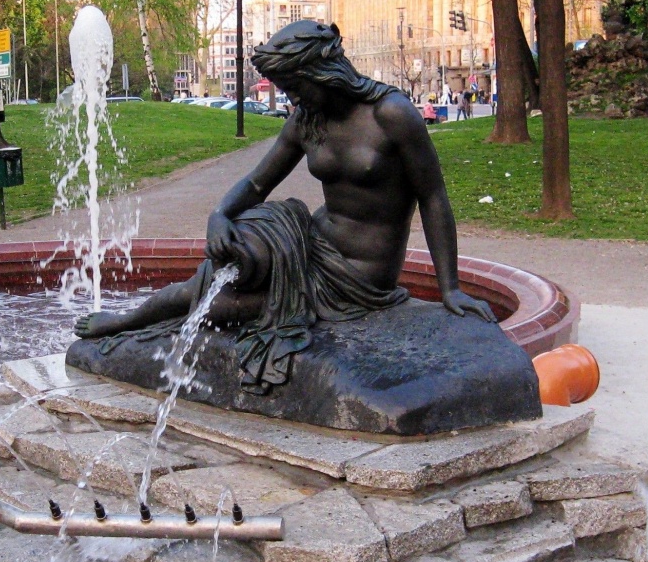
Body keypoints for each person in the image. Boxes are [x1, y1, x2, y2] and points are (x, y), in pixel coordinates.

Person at [73, 20, 493, 390]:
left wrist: (449, 287)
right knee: (228, 259)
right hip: (308, 240)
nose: (291, 97)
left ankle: (133, 326)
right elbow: (257, 183)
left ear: (321, 73)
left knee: (218, 307)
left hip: (358, 274)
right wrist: (219, 216)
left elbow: (433, 198)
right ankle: (128, 320)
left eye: (295, 86)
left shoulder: (393, 114)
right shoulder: (306, 118)